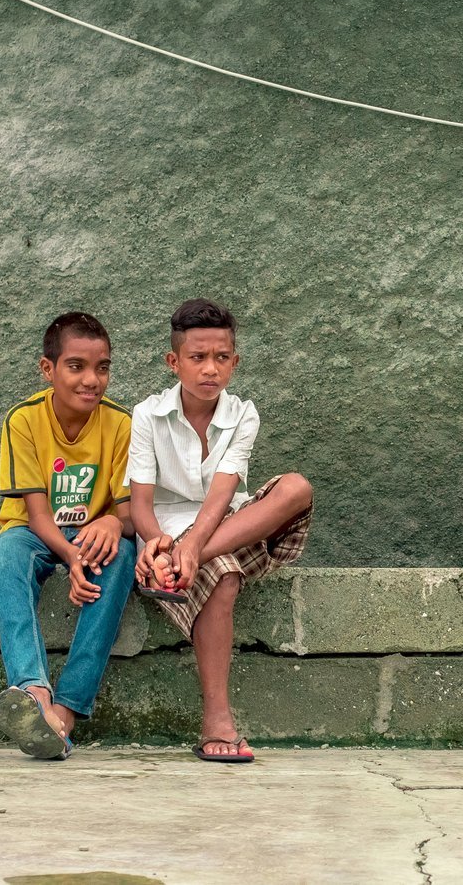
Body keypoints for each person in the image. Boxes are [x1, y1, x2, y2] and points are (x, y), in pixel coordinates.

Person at [128, 298, 314, 763]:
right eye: (197, 357)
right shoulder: (147, 415)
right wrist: (159, 545)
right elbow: (141, 504)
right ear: (174, 362)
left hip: (225, 524)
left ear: (235, 361)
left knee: (296, 488)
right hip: (168, 534)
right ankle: (217, 717)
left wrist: (193, 548)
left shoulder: (243, 413)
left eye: (222, 358)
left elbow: (223, 493)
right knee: (225, 575)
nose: (210, 369)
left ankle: (194, 561)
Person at [0, 311, 138, 760]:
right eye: (76, 366)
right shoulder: (23, 420)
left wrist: (113, 522)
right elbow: (36, 517)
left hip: (92, 535)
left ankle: (66, 711)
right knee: (6, 550)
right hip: (38, 535)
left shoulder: (121, 424)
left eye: (103, 367)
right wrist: (72, 559)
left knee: (124, 552)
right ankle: (35, 692)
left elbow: (130, 514)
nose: (91, 379)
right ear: (48, 369)